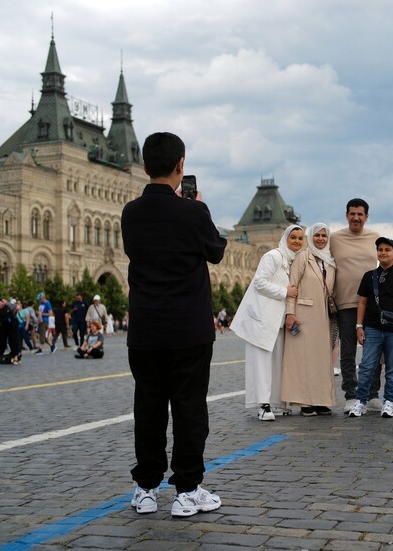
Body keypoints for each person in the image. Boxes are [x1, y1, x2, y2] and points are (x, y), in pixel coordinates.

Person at [122, 132, 227, 517]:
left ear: (146, 166)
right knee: (189, 408)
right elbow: (216, 251)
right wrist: (201, 210)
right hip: (189, 331)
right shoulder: (193, 213)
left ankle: (146, 488)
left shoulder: (130, 213)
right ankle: (187, 490)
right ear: (180, 166)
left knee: (148, 408)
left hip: (146, 330)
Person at [232, 225, 303, 421]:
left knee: (276, 363)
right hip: (261, 320)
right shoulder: (273, 256)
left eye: (300, 238)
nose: (297, 241)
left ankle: (276, 403)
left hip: (276, 322)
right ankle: (262, 406)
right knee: (260, 364)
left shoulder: (291, 261)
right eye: (293, 238)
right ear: (285, 239)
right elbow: (259, 282)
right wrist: (284, 292)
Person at [349, 237, 393, 418]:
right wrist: (359, 326)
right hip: (372, 329)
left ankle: (390, 402)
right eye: (380, 249)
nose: (383, 252)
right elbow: (362, 303)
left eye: (387, 249)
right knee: (367, 366)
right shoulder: (369, 276)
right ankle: (360, 402)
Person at [330, 198, 381, 412]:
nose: (356, 218)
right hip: (345, 302)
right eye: (352, 214)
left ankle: (372, 394)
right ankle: (350, 394)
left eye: (360, 214)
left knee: (374, 350)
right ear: (346, 215)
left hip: (372, 303)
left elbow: (387, 259)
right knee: (348, 351)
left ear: (366, 217)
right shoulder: (335, 238)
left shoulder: (376, 237)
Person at [280, 223, 337, 417]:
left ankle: (320, 400)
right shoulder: (304, 256)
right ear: (310, 237)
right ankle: (304, 402)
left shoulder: (331, 262)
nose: (320, 238)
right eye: (316, 235)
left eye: (324, 235)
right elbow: (292, 285)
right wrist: (290, 313)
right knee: (302, 360)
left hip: (323, 318)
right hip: (303, 315)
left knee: (321, 360)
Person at [0, 297, 20, 364]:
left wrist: (6, 303)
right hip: (7, 325)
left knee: (7, 341)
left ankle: (9, 356)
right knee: (7, 341)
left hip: (7, 325)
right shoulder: (0, 307)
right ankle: (5, 356)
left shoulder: (4, 306)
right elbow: (16, 307)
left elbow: (15, 307)